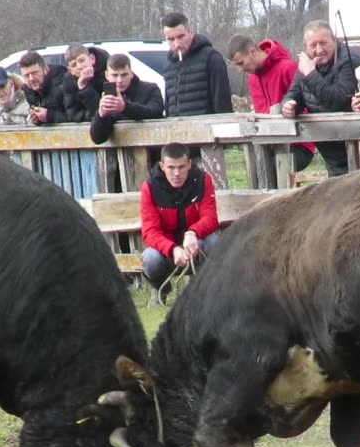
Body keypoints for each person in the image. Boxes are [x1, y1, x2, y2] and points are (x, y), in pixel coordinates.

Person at [140, 142, 221, 303]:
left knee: (214, 242)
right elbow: (150, 232)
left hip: (196, 245)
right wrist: (173, 249)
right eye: (171, 168)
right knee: (150, 259)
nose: (176, 173)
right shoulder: (149, 188)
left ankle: (206, 291)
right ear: (162, 166)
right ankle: (160, 289)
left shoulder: (203, 180)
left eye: (181, 167)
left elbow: (210, 218)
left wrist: (193, 232)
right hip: (167, 250)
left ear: (189, 164)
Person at [282, 20, 360, 177]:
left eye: (324, 43)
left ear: (334, 40)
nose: (319, 50)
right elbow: (294, 93)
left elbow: (337, 101)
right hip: (331, 153)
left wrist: (310, 73)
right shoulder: (306, 66)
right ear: (305, 46)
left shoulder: (349, 61)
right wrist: (289, 106)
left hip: (357, 151)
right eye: (313, 45)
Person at [228, 34, 315, 172]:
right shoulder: (252, 79)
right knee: (256, 170)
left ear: (252, 52)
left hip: (298, 144)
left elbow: (307, 105)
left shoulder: (287, 68)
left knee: (272, 169)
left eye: (241, 63)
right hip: (268, 144)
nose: (240, 69)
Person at [161, 11, 233, 116]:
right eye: (171, 39)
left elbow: (222, 105)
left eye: (181, 37)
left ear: (191, 33)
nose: (176, 44)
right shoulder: (169, 65)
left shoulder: (211, 58)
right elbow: (169, 106)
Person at [89, 53, 164, 144]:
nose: (119, 80)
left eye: (124, 75)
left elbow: (156, 113)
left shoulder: (150, 89)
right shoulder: (105, 95)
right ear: (107, 75)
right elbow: (98, 139)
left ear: (131, 73)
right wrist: (101, 116)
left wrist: (125, 107)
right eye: (115, 75)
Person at [60, 43, 111, 122]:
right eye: (74, 65)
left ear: (92, 59)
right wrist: (83, 87)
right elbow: (72, 113)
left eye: (82, 60)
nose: (79, 67)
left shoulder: (108, 71)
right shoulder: (68, 80)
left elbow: (106, 110)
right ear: (70, 71)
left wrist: (85, 88)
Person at [18, 51, 67, 125]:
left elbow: (75, 116)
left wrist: (49, 116)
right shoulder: (28, 89)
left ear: (45, 70)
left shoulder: (64, 82)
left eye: (35, 73)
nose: (31, 79)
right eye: (26, 76)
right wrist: (36, 119)